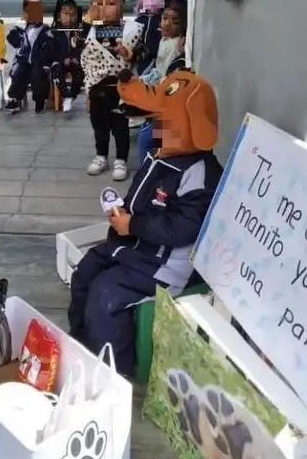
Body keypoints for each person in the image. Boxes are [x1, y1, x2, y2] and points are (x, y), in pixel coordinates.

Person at [68, 68, 223, 378]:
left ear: (193, 124)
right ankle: (83, 341)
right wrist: (122, 211)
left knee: (105, 294)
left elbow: (184, 228)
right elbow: (140, 197)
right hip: (133, 247)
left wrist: (133, 226)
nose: (158, 129)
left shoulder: (200, 171)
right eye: (157, 122)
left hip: (164, 264)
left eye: (166, 122)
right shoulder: (158, 155)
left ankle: (113, 372)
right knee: (86, 271)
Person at [80, 0, 141, 181]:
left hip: (120, 88)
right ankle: (101, 156)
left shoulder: (131, 29)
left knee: (120, 126)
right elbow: (81, 49)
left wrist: (128, 53)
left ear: (123, 4)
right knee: (99, 125)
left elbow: (140, 53)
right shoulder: (92, 29)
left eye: (111, 3)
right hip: (98, 87)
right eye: (100, 3)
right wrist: (87, 20)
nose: (105, 9)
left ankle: (121, 160)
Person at [137, 1, 188, 163]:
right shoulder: (162, 39)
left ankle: (153, 171)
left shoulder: (178, 44)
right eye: (165, 18)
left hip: (167, 95)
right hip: (158, 85)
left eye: (176, 22)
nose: (168, 23)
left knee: (152, 140)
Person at [3, 0, 54, 114]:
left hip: (38, 60)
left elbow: (49, 47)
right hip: (23, 59)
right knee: (17, 72)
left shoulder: (45, 29)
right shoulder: (21, 28)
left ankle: (40, 100)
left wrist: (47, 62)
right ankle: (15, 99)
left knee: (38, 74)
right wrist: (18, 28)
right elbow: (14, 42)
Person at [50, 0, 85, 113]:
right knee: (56, 70)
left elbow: (82, 48)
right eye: (65, 14)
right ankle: (66, 96)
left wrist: (75, 57)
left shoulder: (79, 31)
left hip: (75, 61)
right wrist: (63, 59)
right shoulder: (53, 31)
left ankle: (71, 96)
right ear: (59, 15)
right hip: (60, 62)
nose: (69, 18)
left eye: (73, 15)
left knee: (80, 73)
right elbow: (52, 50)